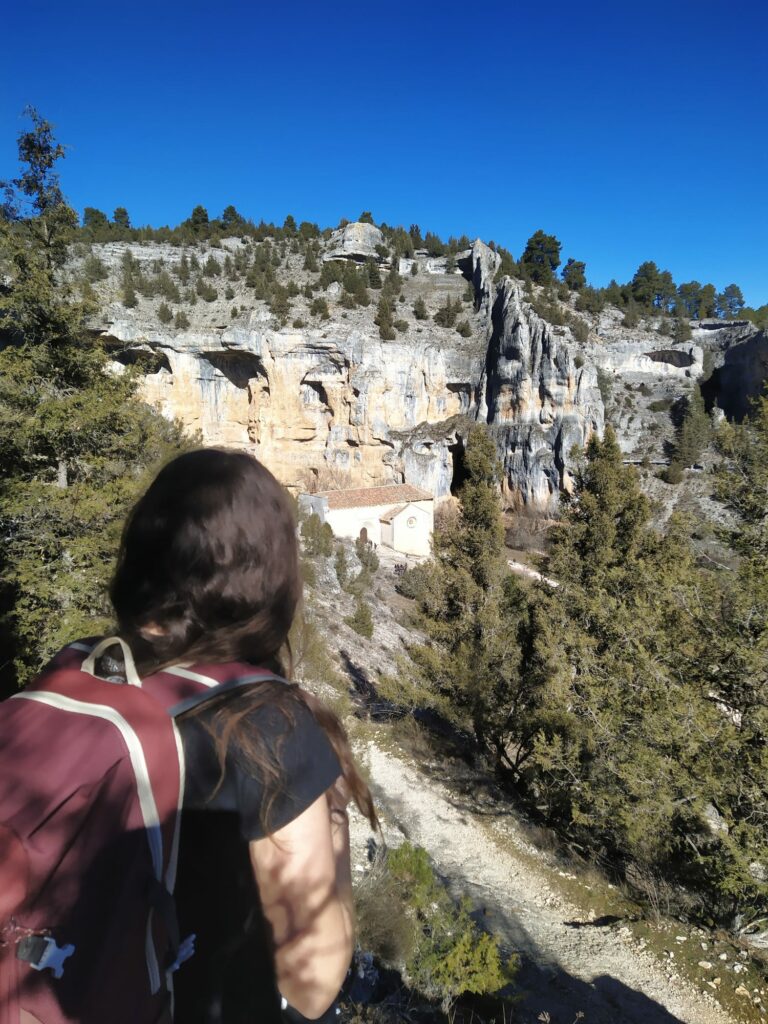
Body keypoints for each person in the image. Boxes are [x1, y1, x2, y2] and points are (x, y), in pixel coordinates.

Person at [107, 447, 378, 1023]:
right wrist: (332, 814)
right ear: (271, 582)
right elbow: (313, 982)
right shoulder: (270, 731)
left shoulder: (85, 677)